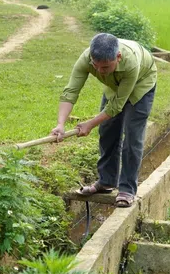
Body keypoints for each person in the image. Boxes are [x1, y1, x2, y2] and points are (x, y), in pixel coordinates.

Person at [50, 33, 157, 207]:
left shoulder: (130, 63)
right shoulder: (86, 59)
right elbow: (70, 91)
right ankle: (106, 182)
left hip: (141, 85)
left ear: (118, 57)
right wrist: (60, 124)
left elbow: (117, 106)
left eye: (105, 67)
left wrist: (89, 124)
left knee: (132, 137)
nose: (100, 71)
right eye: (96, 65)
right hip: (114, 88)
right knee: (107, 131)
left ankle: (127, 189)